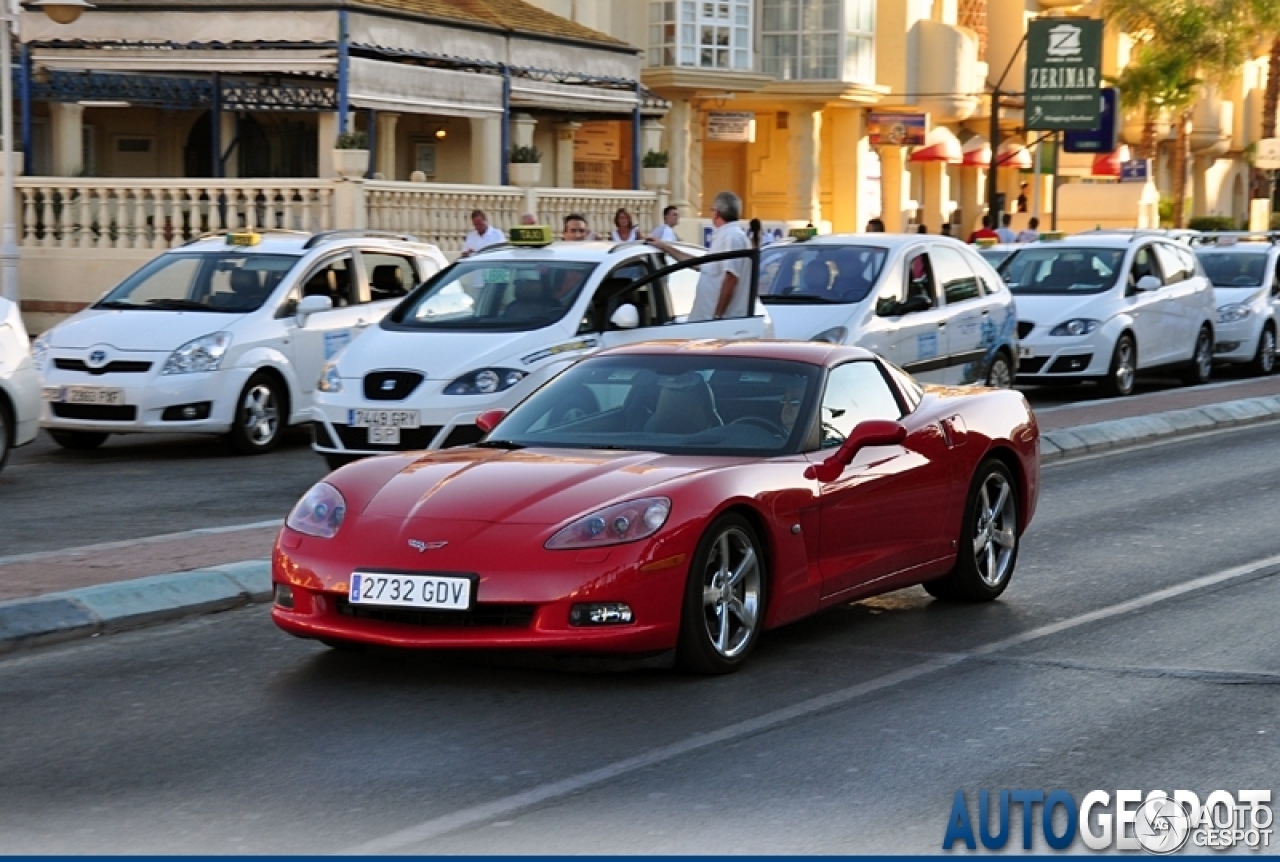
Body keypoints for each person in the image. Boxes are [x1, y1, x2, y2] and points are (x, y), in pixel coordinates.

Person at [646, 190, 750, 322]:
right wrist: (664, 246)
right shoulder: (725, 236)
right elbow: (699, 264)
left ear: (716, 213)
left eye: (712, 210)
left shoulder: (732, 237)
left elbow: (731, 279)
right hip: (709, 321)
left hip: (719, 323)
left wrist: (718, 316)